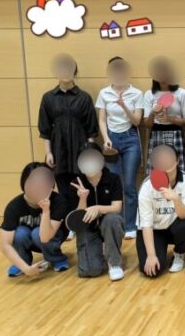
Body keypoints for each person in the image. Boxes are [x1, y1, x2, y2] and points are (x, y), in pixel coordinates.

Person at [37, 54, 98, 219]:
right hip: (58, 149)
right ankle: (65, 224)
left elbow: (91, 130)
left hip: (80, 149)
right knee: (62, 190)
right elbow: (45, 129)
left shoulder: (84, 97)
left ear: (75, 72)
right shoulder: (48, 98)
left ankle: (81, 222)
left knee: (81, 189)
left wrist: (89, 153)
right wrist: (49, 153)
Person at [96, 57, 144, 239]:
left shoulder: (136, 93)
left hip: (131, 138)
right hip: (112, 139)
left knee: (130, 185)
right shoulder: (104, 93)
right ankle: (117, 224)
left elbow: (137, 121)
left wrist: (124, 105)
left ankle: (131, 225)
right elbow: (102, 120)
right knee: (114, 184)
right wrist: (106, 139)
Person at [63, 142, 125, 281]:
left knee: (113, 219)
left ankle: (114, 263)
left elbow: (117, 207)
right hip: (87, 226)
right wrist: (82, 198)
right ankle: (98, 253)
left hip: (108, 223)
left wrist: (98, 208)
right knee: (89, 270)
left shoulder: (113, 179)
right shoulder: (75, 183)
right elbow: (77, 219)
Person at [137, 144, 185, 277]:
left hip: (175, 227)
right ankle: (157, 250)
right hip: (153, 230)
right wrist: (151, 256)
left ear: (177, 160)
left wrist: (176, 199)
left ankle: (179, 253)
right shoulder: (147, 186)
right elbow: (146, 224)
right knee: (152, 272)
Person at [0, 163, 70, 277]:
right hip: (28, 238)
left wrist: (46, 211)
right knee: (20, 233)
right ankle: (22, 262)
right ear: (24, 182)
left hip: (52, 237)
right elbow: (5, 244)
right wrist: (26, 268)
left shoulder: (58, 201)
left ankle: (56, 258)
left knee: (38, 233)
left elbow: (45, 237)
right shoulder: (14, 207)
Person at [143, 56, 185, 173]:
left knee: (177, 171)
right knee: (156, 172)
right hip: (156, 134)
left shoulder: (182, 93)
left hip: (176, 134)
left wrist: (170, 119)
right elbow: (147, 124)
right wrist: (153, 113)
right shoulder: (149, 94)